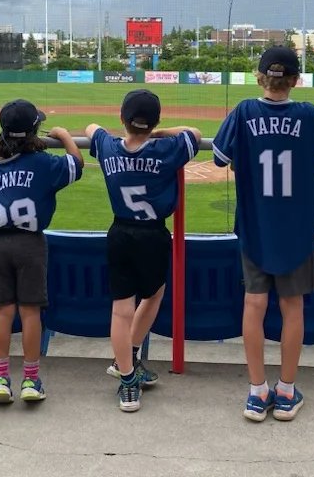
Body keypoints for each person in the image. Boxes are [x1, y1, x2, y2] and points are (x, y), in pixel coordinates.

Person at [212, 46, 314, 423]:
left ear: (259, 78)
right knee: (293, 308)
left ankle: (258, 393)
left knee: (253, 306)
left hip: (256, 225)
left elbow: (220, 158)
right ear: (295, 81)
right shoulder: (306, 113)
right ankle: (286, 391)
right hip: (298, 227)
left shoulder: (243, 111)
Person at [85, 90, 201, 413]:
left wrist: (121, 133)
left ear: (122, 119)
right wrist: (158, 133)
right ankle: (129, 364)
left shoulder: (108, 146)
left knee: (121, 309)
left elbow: (92, 128)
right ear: (155, 123)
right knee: (153, 294)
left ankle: (127, 373)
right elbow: (194, 134)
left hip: (120, 232)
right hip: (153, 234)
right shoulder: (166, 148)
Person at [0, 100, 83, 405]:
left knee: (2, 311)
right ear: (36, 131)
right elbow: (76, 164)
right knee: (30, 311)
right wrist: (64, 136)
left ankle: (0, 379)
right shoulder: (44, 163)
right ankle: (31, 379)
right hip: (30, 244)